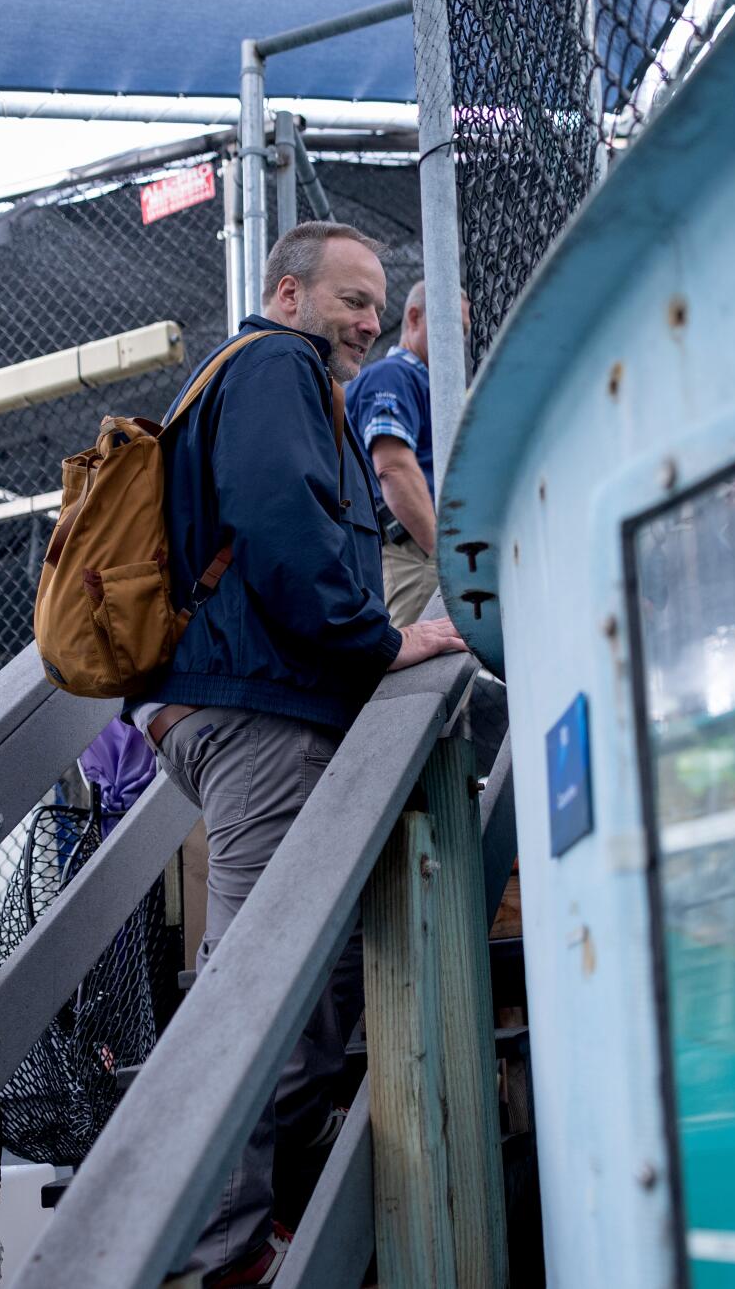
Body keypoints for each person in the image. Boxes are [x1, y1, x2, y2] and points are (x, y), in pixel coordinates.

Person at [131, 220, 466, 1286]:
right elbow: (278, 512)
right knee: (263, 987)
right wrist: (375, 634)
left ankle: (240, 1223)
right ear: (286, 292)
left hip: (229, 706)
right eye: (352, 299)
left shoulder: (251, 375)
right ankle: (208, 1255)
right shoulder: (276, 362)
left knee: (296, 983)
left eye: (377, 304)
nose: (369, 320)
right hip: (260, 709)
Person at [345, 280, 469, 627]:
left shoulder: (425, 384)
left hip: (418, 550)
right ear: (413, 318)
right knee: (418, 672)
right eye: (451, 327)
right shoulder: (393, 375)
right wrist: (442, 556)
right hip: (412, 552)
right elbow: (393, 469)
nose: (459, 342)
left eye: (464, 332)